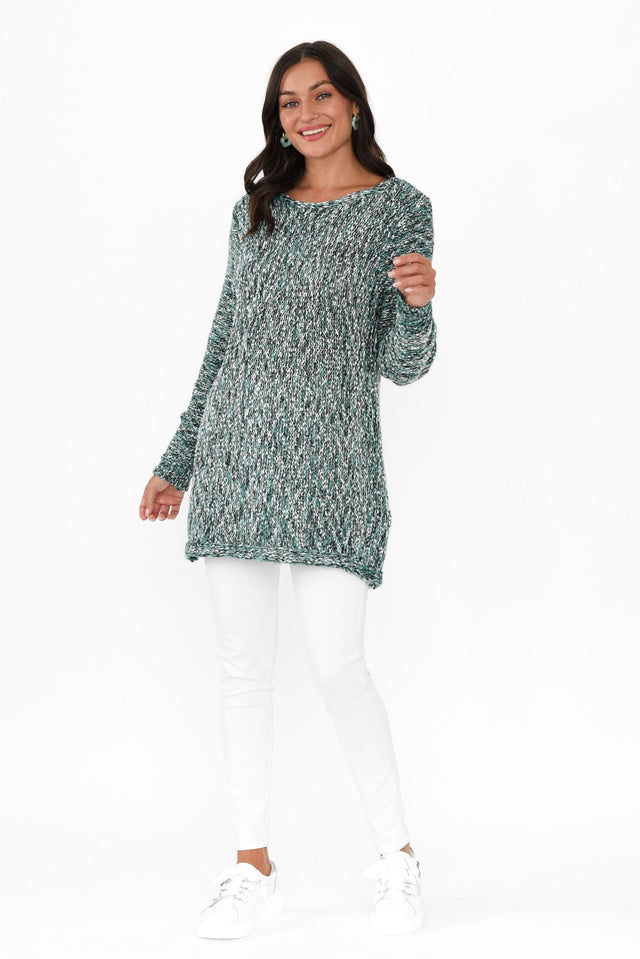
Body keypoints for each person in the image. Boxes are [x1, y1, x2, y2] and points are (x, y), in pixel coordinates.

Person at [139, 40, 437, 939]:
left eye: (320, 95)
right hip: (236, 458)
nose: (304, 114)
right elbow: (223, 340)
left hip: (335, 468)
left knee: (338, 662)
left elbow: (403, 365)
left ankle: (397, 859)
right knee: (243, 669)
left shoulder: (401, 209)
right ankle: (252, 866)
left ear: (353, 104)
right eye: (287, 103)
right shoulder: (255, 211)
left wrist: (420, 305)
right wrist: (179, 459)